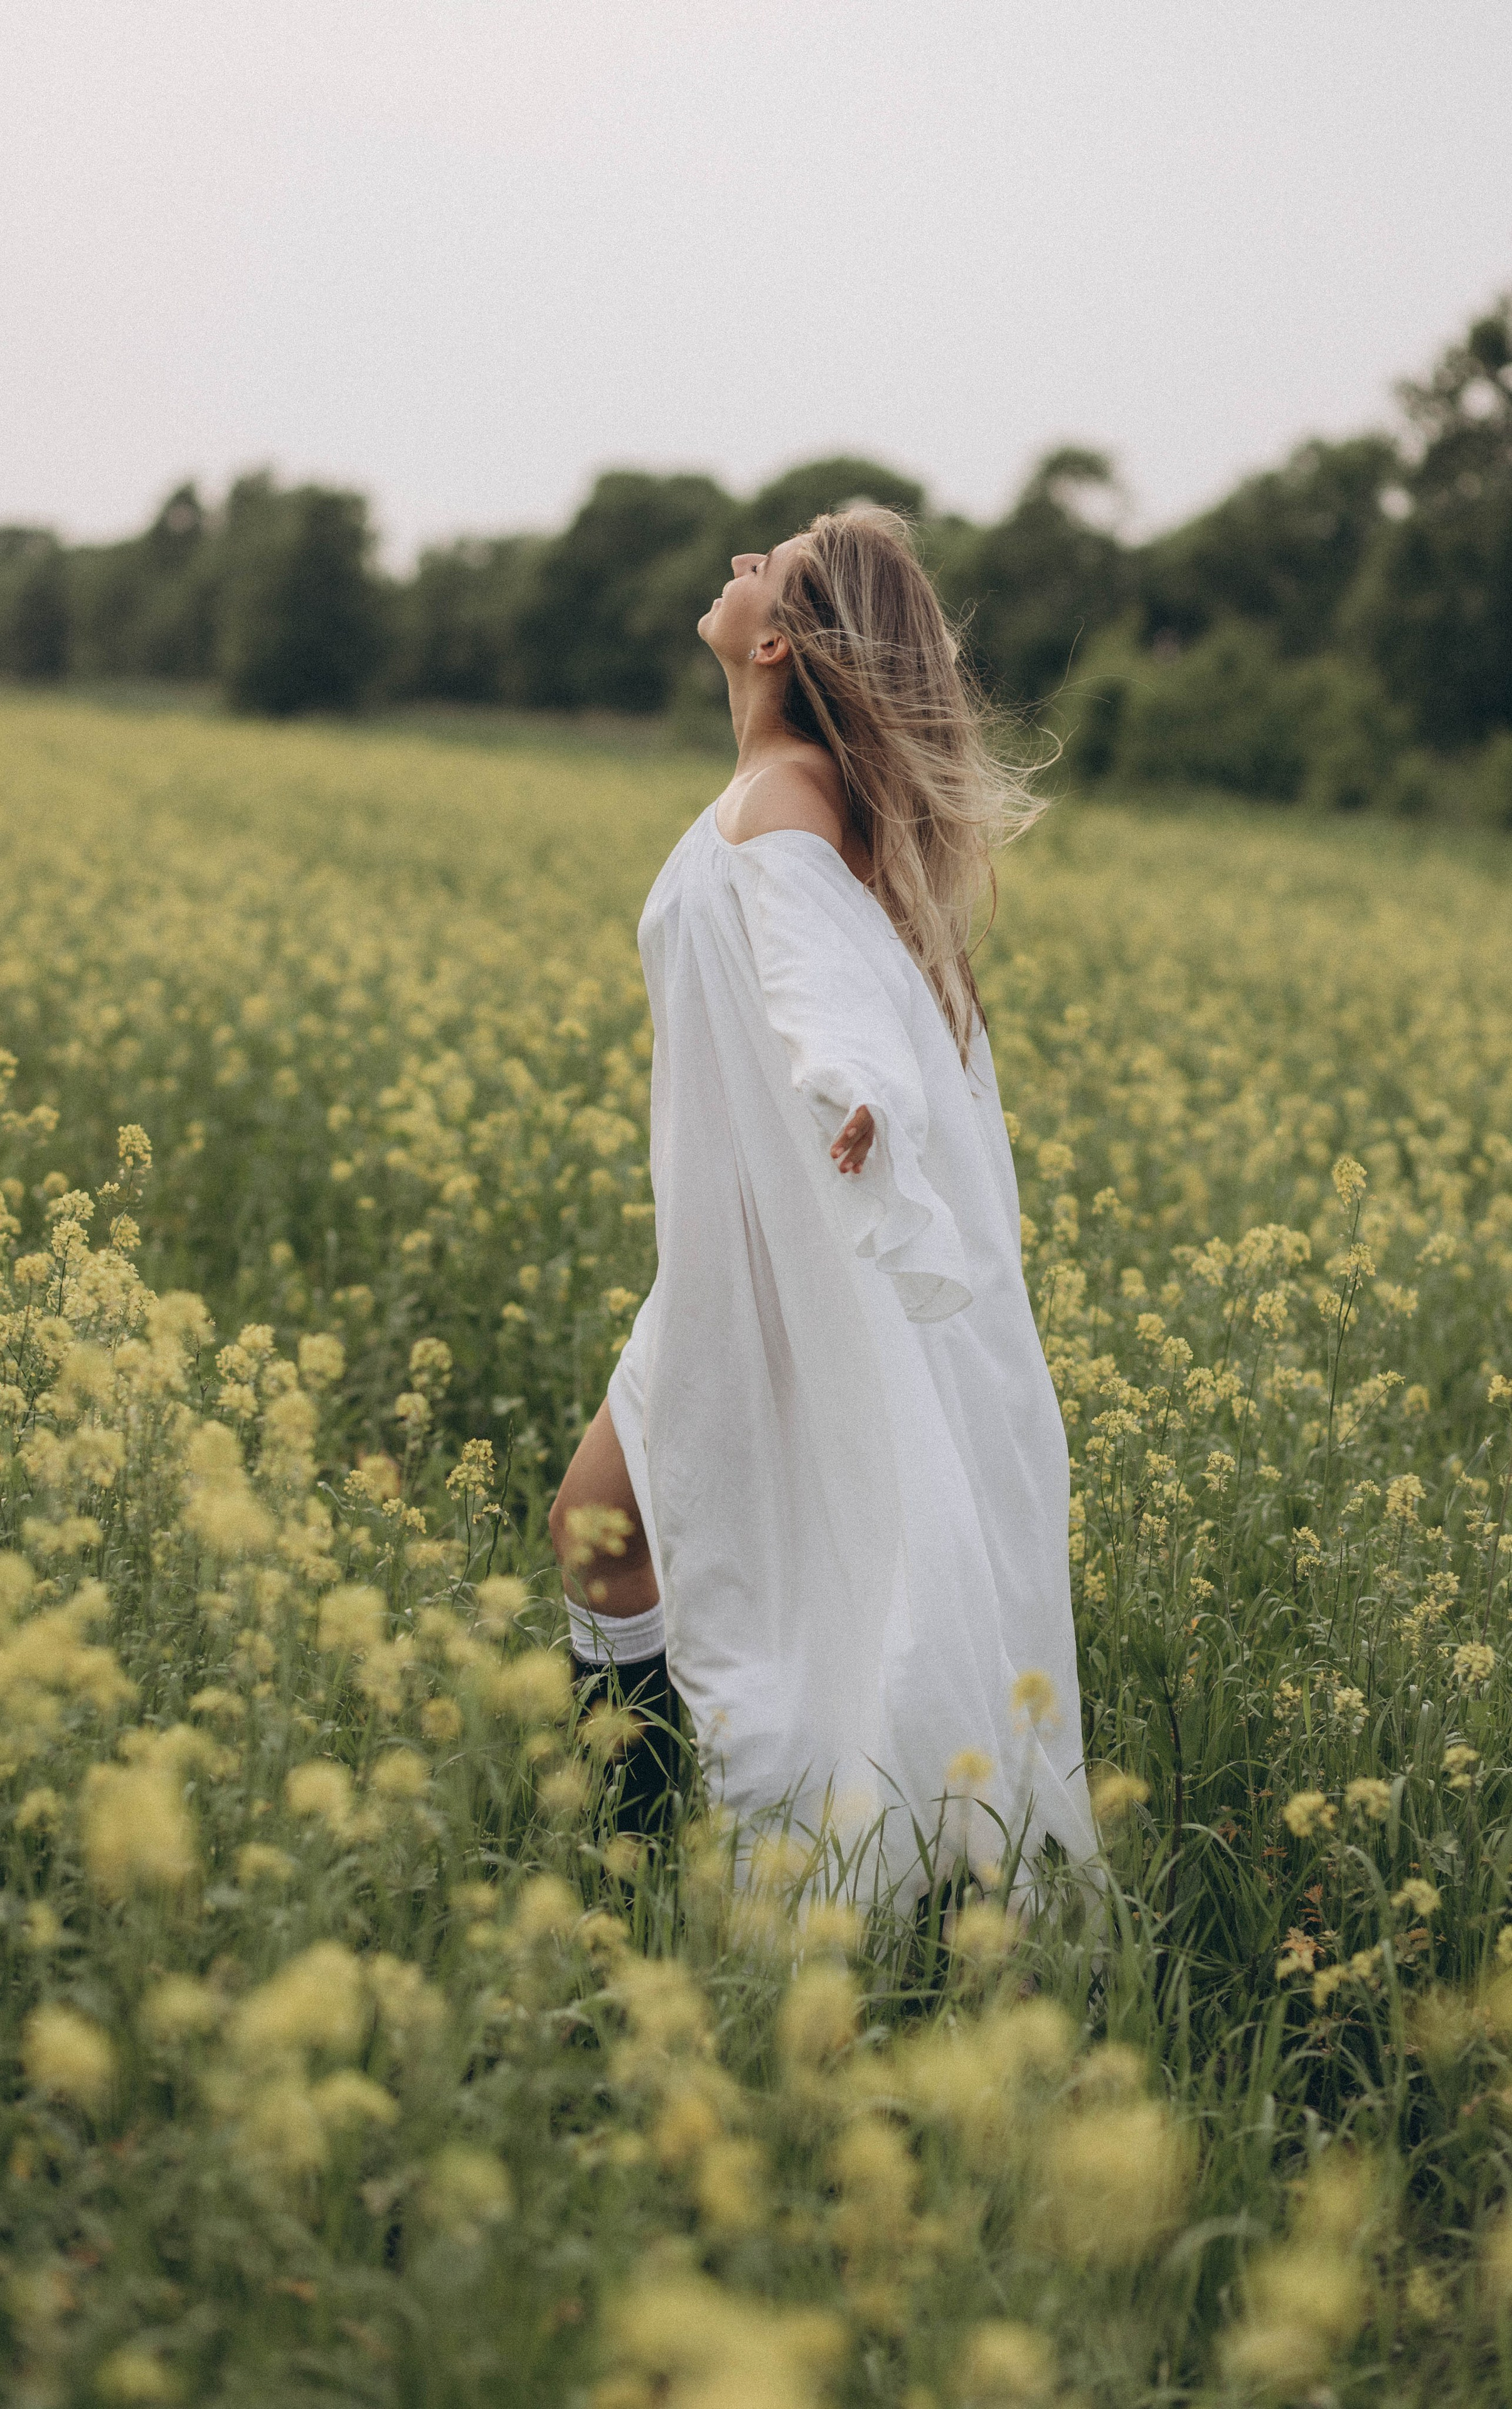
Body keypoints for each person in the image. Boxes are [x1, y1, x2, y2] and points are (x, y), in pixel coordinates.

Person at [549, 506, 1095, 1903]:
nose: (737, 562)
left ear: (780, 638)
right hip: (740, 1256)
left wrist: (855, 1084)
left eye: (767, 565)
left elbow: (821, 984)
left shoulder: (787, 790)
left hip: (776, 1263)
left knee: (627, 1540)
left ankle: (671, 1848)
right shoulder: (787, 782)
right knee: (612, 1540)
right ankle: (661, 1832)